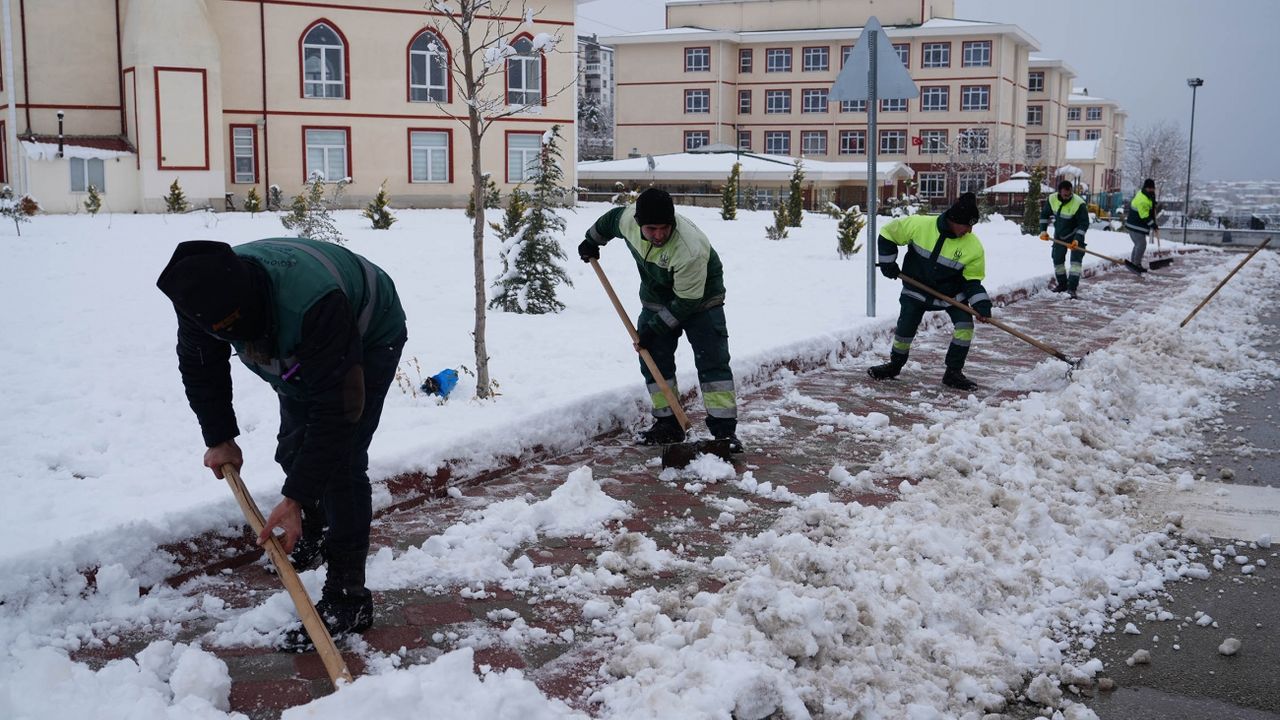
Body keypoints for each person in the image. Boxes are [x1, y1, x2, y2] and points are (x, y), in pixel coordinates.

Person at [156, 238, 407, 650]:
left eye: (238, 330)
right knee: (295, 446)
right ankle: (310, 532)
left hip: (369, 329)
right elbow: (202, 366)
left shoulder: (312, 304)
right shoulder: (199, 294)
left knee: (341, 465)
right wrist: (220, 437)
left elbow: (337, 415)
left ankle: (348, 600)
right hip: (299, 338)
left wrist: (294, 497)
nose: (230, 338)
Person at [577, 188, 742, 452]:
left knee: (712, 361)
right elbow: (609, 221)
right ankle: (668, 424)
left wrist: (654, 329)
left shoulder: (689, 248)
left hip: (701, 300)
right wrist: (591, 241)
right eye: (651, 229)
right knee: (653, 358)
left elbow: (687, 302)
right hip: (656, 295)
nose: (658, 235)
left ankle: (724, 434)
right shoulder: (628, 221)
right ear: (639, 224)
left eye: (664, 228)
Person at [867, 192, 993, 391]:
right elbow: (888, 233)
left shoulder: (973, 247)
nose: (969, 231)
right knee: (905, 327)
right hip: (916, 289)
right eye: (967, 225)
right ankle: (895, 365)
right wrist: (888, 263)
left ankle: (953, 372)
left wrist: (982, 305)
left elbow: (973, 281)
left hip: (952, 295)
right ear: (954, 220)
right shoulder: (920, 225)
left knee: (965, 326)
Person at [1039, 179, 1090, 298]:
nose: (1068, 196)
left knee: (1075, 264)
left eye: (1070, 194)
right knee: (1057, 260)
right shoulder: (1052, 199)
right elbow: (1044, 215)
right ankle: (1062, 284)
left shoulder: (1079, 203)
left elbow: (1084, 224)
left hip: (1076, 235)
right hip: (1060, 235)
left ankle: (1072, 288)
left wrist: (1077, 239)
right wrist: (1043, 230)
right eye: (1065, 194)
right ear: (1059, 192)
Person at [1123, 178, 1158, 273]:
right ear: (1146, 188)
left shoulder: (1145, 194)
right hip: (1135, 226)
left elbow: (1149, 209)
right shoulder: (1143, 200)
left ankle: (1134, 263)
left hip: (1135, 225)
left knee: (1138, 244)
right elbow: (1144, 216)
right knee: (1141, 244)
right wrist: (1153, 225)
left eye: (1153, 189)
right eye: (1150, 189)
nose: (1152, 190)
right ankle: (1136, 264)